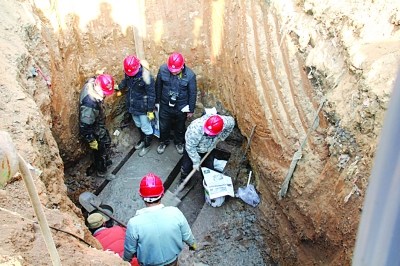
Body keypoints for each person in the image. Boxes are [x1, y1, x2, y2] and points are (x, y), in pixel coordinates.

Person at [123, 173, 196, 266]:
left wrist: (125, 261)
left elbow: (130, 249)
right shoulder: (175, 212)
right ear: (162, 193)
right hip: (172, 261)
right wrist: (194, 247)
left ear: (141, 196)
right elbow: (188, 236)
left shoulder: (134, 223)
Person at [155, 52, 197, 155]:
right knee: (163, 125)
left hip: (181, 107)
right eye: (172, 70)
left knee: (180, 126)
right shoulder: (163, 70)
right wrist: (156, 102)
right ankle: (163, 141)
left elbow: (192, 93)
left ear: (182, 66)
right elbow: (158, 87)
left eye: (176, 70)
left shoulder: (190, 76)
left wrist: (191, 109)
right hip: (165, 104)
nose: (173, 72)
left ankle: (179, 142)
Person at [116, 55, 156, 157]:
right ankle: (142, 140)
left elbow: (151, 95)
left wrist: (150, 110)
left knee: (146, 127)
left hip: (143, 108)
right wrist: (119, 87)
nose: (130, 75)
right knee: (138, 124)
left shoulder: (146, 77)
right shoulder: (129, 72)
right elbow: (126, 80)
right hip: (132, 105)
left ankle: (147, 145)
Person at [180, 114, 235, 183]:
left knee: (208, 169)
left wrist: (222, 137)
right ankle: (184, 180)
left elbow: (232, 123)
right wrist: (196, 161)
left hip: (208, 149)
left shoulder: (225, 122)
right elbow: (190, 147)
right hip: (194, 149)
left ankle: (207, 182)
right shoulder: (195, 129)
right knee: (186, 167)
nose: (209, 135)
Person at [79, 74, 115, 177]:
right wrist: (91, 140)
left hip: (98, 123)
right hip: (95, 130)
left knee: (106, 142)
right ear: (98, 88)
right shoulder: (90, 105)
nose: (105, 95)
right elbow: (85, 126)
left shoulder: (92, 82)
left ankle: (105, 160)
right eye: (104, 93)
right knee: (100, 151)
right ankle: (102, 171)